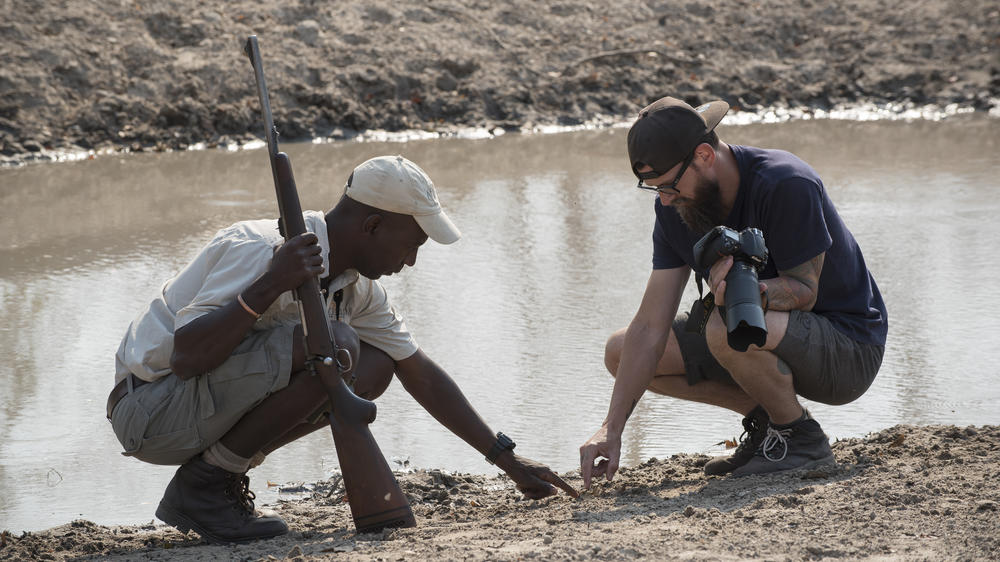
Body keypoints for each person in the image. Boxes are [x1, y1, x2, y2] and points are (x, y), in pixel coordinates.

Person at [108, 155, 577, 544]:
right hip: (150, 412)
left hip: (196, 411)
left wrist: (505, 459)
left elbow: (420, 372)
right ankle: (207, 484)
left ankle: (211, 478)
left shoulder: (356, 289)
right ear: (373, 224)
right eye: (412, 244)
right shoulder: (258, 247)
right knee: (338, 345)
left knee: (373, 365)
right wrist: (272, 283)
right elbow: (187, 357)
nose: (411, 261)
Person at [579, 97, 887, 488]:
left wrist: (746, 292)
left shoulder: (786, 182)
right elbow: (649, 326)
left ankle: (802, 441)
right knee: (622, 352)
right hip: (753, 334)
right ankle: (770, 427)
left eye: (669, 185)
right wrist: (611, 428)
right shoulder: (676, 208)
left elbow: (805, 291)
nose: (664, 199)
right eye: (652, 188)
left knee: (726, 324)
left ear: (704, 155)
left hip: (848, 348)